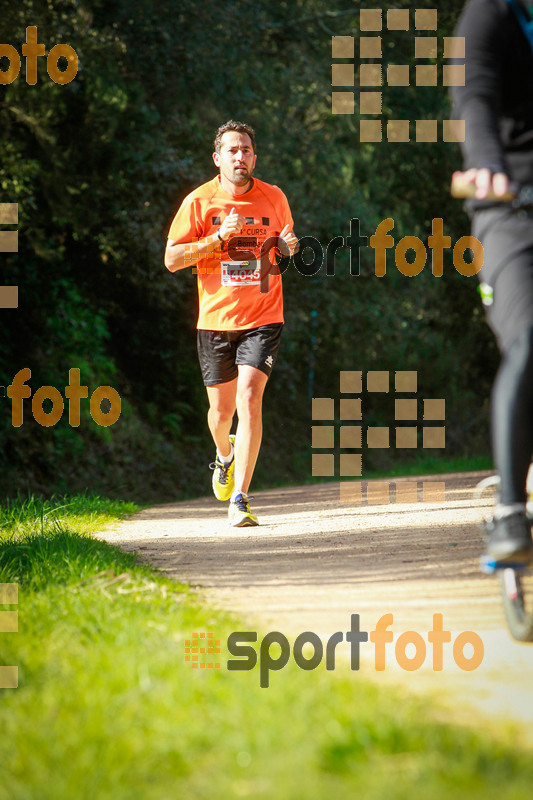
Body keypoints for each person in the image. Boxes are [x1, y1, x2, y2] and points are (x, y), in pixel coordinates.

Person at [164, 120, 298, 527]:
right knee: (221, 415)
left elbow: (283, 250)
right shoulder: (199, 202)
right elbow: (172, 260)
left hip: (263, 316)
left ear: (254, 158)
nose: (240, 157)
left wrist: (287, 249)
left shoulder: (274, 198)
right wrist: (218, 238)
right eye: (232, 150)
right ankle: (224, 454)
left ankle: (239, 497)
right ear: (217, 158)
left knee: (250, 398)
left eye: (246, 151)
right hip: (215, 321)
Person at [452, 0, 533, 563]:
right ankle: (510, 510)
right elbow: (474, 96)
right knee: (531, 340)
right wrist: (486, 163)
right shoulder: (491, 15)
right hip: (510, 206)